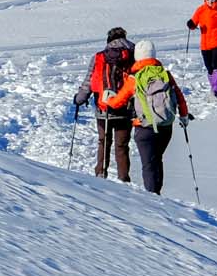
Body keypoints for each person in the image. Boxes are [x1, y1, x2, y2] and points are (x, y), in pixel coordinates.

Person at [98, 39, 192, 195]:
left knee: (148, 164)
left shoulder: (135, 78)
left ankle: (152, 198)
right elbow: (179, 96)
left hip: (144, 127)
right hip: (165, 126)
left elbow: (118, 102)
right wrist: (183, 116)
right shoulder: (165, 74)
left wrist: (107, 99)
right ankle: (157, 192)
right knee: (157, 160)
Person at [70, 26, 137, 183]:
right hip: (125, 108)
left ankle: (101, 174)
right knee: (122, 145)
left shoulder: (99, 56)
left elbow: (89, 81)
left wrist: (79, 98)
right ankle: (123, 179)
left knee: (103, 141)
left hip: (103, 106)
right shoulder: (133, 54)